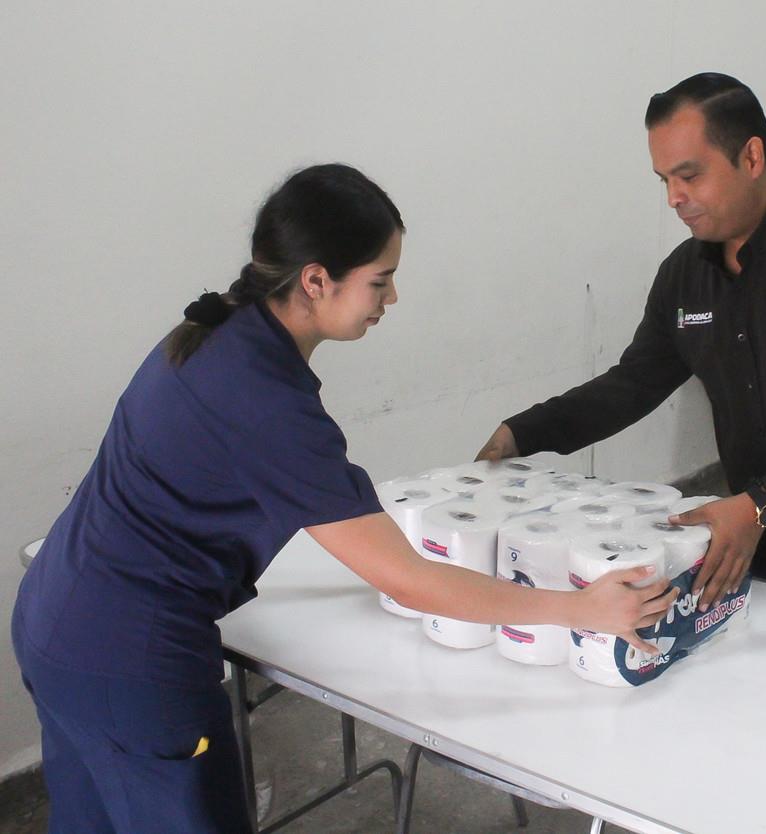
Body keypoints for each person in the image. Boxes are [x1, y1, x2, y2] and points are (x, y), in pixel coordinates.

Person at [11, 164, 675, 834]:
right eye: (379, 280)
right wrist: (579, 606)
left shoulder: (218, 333)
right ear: (316, 280)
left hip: (53, 621)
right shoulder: (267, 401)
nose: (391, 297)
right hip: (129, 669)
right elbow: (408, 581)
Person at [477, 73, 766, 619]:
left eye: (689, 175)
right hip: (753, 530)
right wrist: (524, 432)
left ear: (751, 157)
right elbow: (631, 385)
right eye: (664, 181)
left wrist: (760, 503)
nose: (675, 198)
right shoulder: (685, 275)